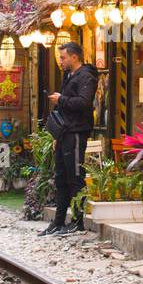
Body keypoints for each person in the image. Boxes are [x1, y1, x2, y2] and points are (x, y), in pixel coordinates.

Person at [40, 42, 98, 237]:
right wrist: (56, 135)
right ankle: (58, 222)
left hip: (76, 132)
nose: (61, 61)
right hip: (64, 132)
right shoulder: (68, 75)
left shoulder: (87, 76)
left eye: (63, 57)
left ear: (74, 57)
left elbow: (84, 102)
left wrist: (61, 99)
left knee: (75, 177)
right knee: (61, 177)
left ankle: (77, 221)